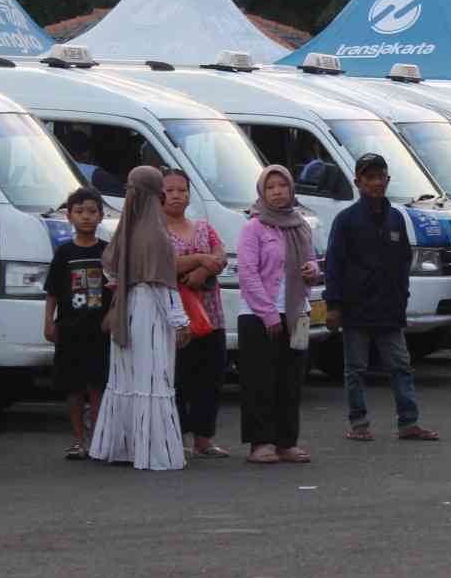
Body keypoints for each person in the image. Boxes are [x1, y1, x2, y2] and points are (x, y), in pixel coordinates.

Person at [325, 153, 440, 442]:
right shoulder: (346, 220)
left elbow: (403, 260)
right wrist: (333, 306)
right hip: (356, 308)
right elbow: (334, 265)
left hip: (389, 307)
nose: (377, 183)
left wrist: (402, 296)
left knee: (401, 366)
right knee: (355, 369)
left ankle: (409, 422)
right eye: (370, 177)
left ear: (387, 180)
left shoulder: (395, 218)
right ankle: (359, 423)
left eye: (381, 177)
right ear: (358, 182)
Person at [90, 166, 190, 469]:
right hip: (150, 312)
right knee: (153, 377)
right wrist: (180, 321)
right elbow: (163, 284)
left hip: (125, 309)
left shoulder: (125, 229)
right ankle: (154, 452)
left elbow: (110, 269)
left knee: (126, 376)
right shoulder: (156, 233)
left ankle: (121, 447)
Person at [237, 164, 320, 464]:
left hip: (299, 314)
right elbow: (247, 274)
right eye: (270, 187)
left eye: (282, 186)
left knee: (292, 380)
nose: (277, 192)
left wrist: (313, 270)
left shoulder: (301, 225)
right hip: (260, 317)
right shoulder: (254, 228)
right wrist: (269, 313)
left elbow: (312, 261)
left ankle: (287, 442)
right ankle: (261, 443)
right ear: (262, 191)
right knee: (260, 380)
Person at [161, 167, 229, 458]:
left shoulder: (203, 226)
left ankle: (204, 438)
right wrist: (201, 259)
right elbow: (164, 264)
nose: (177, 195)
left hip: (211, 315)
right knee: (178, 378)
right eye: (170, 190)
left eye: (182, 190)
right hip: (176, 317)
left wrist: (202, 270)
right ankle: (175, 437)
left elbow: (222, 255)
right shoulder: (156, 232)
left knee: (210, 377)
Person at [46, 187, 113, 460]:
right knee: (73, 387)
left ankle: (98, 437)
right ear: (69, 216)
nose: (86, 217)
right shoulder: (64, 253)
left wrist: (113, 314)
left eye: (91, 211)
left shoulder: (107, 251)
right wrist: (49, 323)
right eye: (79, 211)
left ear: (101, 216)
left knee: (98, 385)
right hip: (70, 328)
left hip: (99, 329)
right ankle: (78, 439)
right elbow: (51, 291)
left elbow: (118, 288)